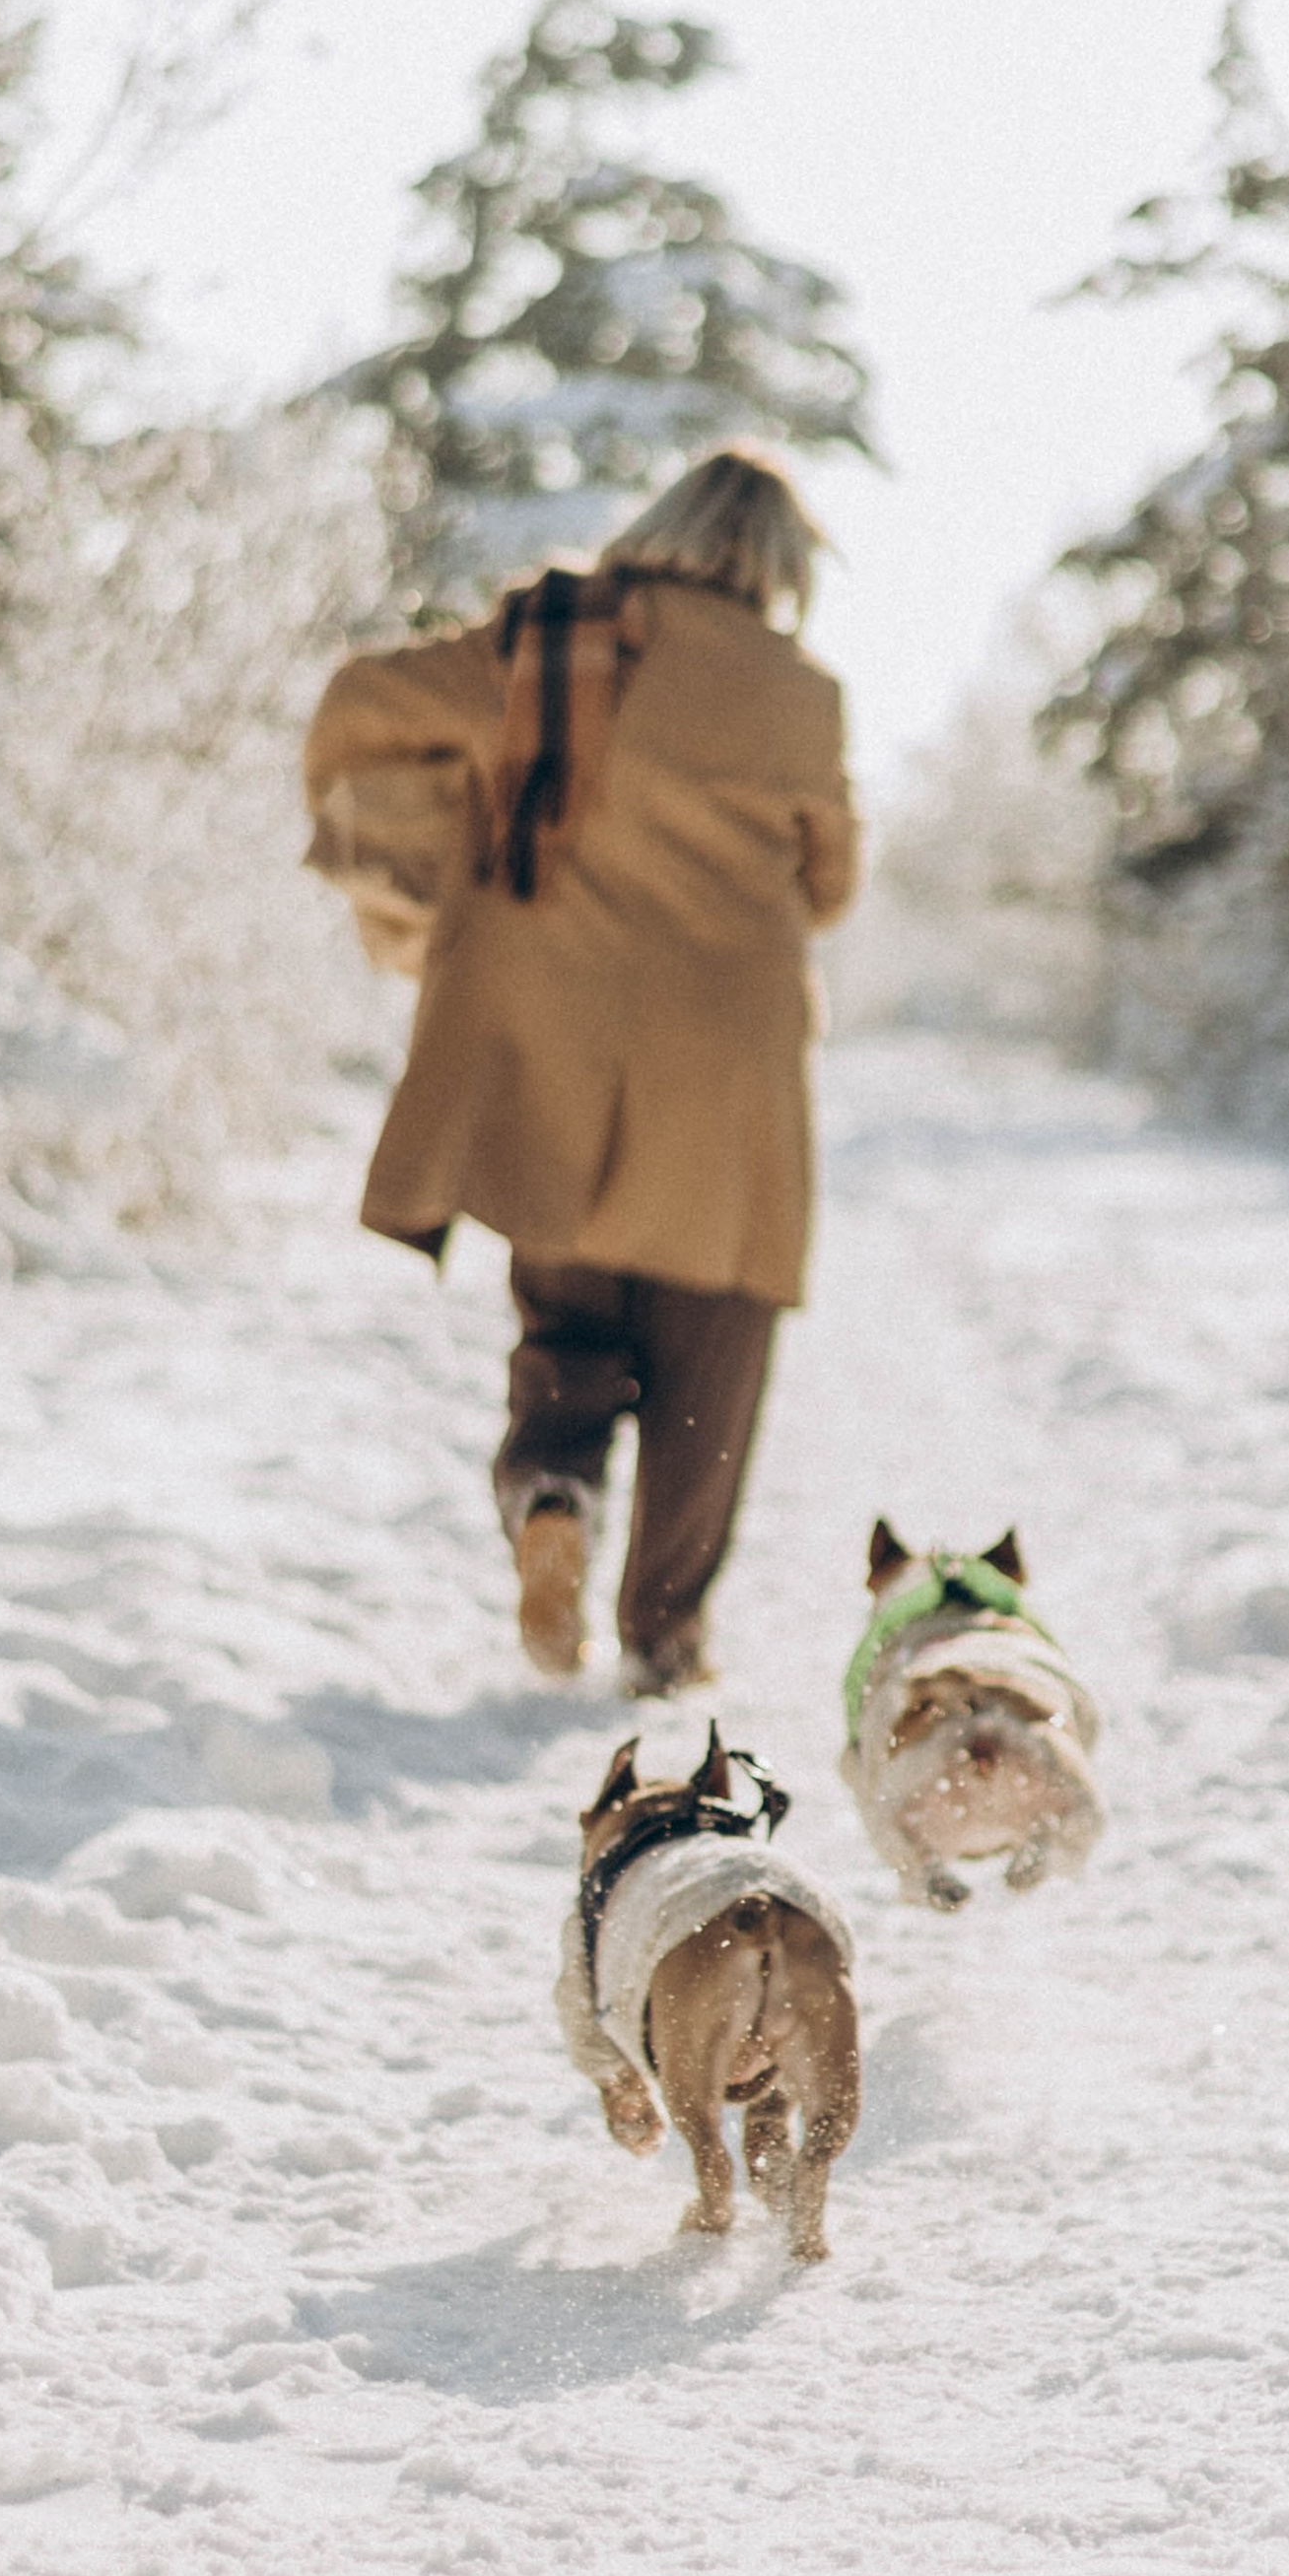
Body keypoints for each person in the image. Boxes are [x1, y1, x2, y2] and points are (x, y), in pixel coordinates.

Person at [303, 449, 859, 1693]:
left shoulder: (549, 642)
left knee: (568, 1318)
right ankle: (664, 1637)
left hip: (552, 1055)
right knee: (711, 1354)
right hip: (726, 1071)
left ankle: (551, 1489)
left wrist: (437, 848)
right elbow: (829, 886)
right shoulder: (801, 695)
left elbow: (358, 705)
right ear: (780, 566)